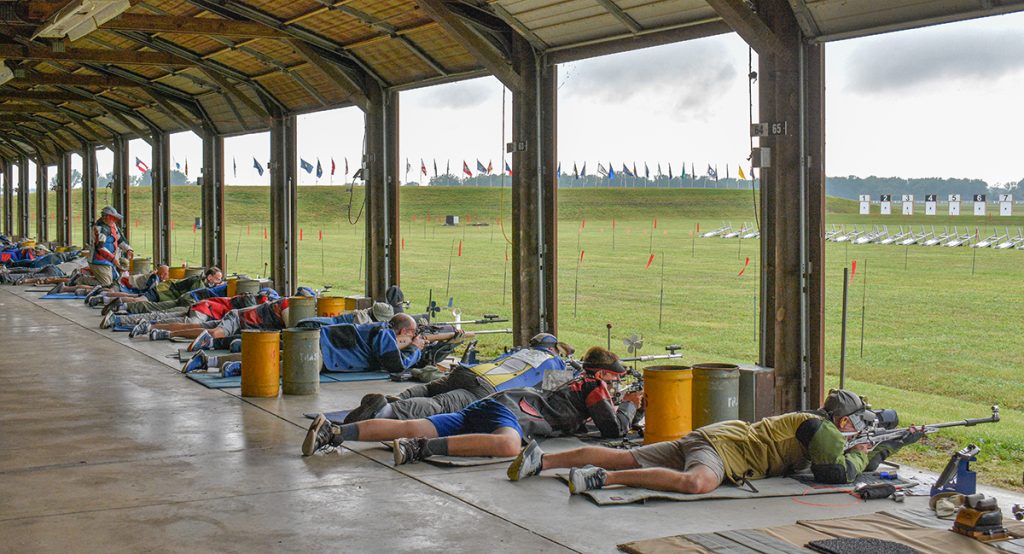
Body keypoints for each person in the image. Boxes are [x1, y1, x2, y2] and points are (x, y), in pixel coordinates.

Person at [506, 388, 925, 495]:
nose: (856, 429)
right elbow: (834, 473)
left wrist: (884, 445)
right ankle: (600, 480)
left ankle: (542, 461)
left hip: (714, 437)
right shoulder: (824, 431)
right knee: (698, 483)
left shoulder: (817, 424)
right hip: (724, 450)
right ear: (842, 419)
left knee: (630, 456)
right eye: (855, 423)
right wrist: (878, 452)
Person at [301, 346, 640, 465]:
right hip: (509, 413)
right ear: (604, 375)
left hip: (492, 403)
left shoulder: (569, 377)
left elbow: (578, 413)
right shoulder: (593, 384)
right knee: (510, 445)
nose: (613, 387)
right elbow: (613, 429)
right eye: (614, 381)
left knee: (415, 422)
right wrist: (630, 405)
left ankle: (334, 433)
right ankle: (420, 450)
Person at [341, 333, 573, 423]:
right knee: (440, 405)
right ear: (553, 349)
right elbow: (559, 394)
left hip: (466, 371)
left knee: (430, 390)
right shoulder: (555, 362)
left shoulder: (519, 352)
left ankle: (393, 399)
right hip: (485, 388)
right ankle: (384, 412)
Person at [146, 293, 289, 349]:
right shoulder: (286, 305)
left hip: (239, 323)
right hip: (236, 320)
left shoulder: (283, 304)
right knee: (214, 334)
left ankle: (152, 327)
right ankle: (160, 330)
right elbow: (291, 335)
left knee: (194, 325)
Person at [78, 206, 133, 287]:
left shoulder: (113, 226)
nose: (114, 220)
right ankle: (80, 279)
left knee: (115, 279)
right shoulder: (100, 228)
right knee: (106, 284)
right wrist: (113, 259)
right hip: (99, 260)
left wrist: (128, 249)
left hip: (110, 260)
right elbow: (100, 248)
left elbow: (120, 240)